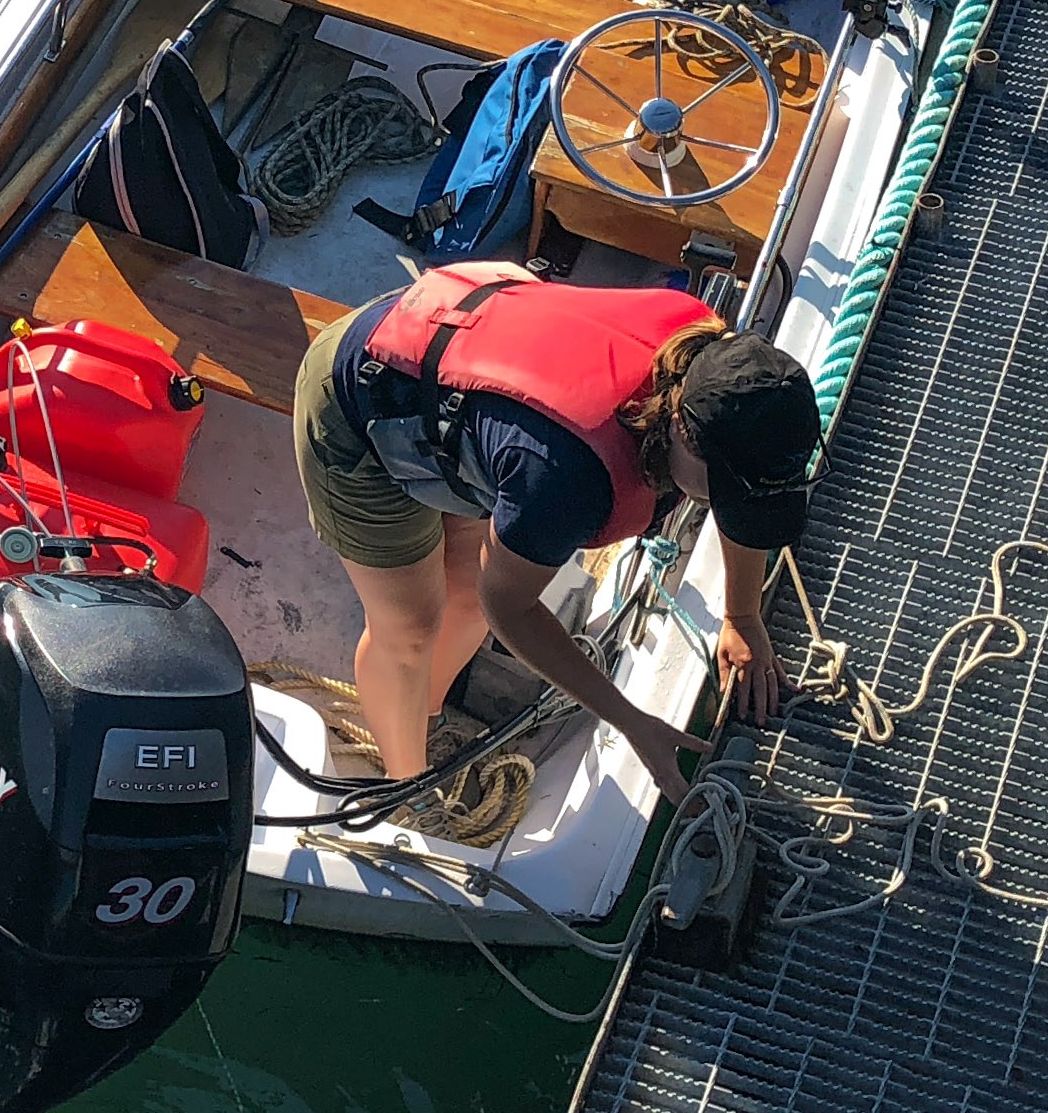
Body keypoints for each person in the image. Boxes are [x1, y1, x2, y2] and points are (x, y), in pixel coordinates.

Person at [290, 260, 824, 799]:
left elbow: (739, 491)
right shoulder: (568, 482)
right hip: (360, 399)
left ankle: (423, 710)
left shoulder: (718, 368)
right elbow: (510, 608)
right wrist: (632, 721)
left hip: (465, 363)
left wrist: (743, 615)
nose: (729, 510)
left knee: (465, 598)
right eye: (726, 497)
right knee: (410, 629)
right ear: (682, 431)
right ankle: (404, 782)